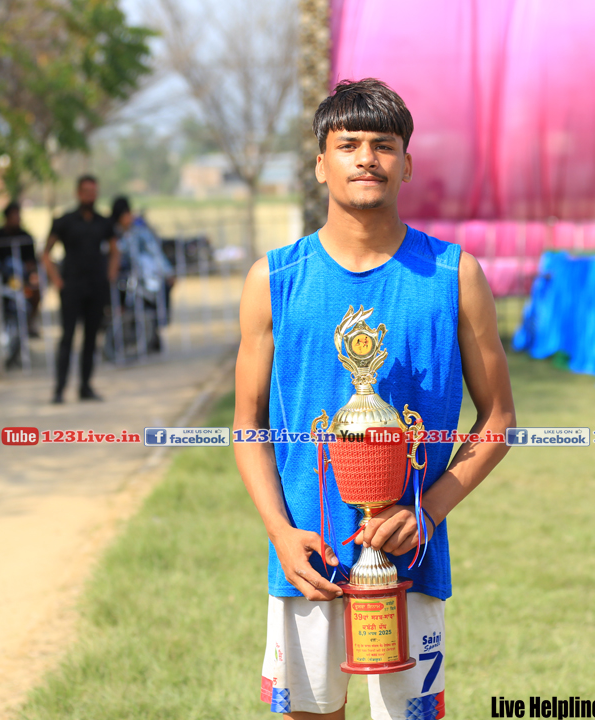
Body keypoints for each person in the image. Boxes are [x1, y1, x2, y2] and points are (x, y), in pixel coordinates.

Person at [233, 78, 517, 720]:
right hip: (308, 557)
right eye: (349, 144)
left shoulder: (454, 275)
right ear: (320, 164)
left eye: (384, 145)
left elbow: (499, 418)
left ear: (406, 164)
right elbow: (248, 425)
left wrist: (428, 512)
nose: (367, 158)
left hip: (409, 554)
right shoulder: (273, 280)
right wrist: (280, 533)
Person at [42, 174, 119, 403]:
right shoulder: (64, 221)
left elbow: (115, 251)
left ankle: (85, 386)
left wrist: (109, 276)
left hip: (96, 287)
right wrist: (57, 280)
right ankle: (59, 389)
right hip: (72, 287)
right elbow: (46, 253)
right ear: (78, 193)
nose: (90, 196)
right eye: (86, 192)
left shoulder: (104, 222)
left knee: (91, 338)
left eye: (93, 192)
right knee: (67, 338)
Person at [109, 196, 171, 352]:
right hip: (125, 282)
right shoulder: (114, 234)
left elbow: (155, 253)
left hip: (145, 280)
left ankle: (152, 340)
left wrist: (167, 271)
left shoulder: (140, 232)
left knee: (150, 310)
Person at [0, 201, 41, 337]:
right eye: (14, 215)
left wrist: (31, 274)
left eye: (19, 215)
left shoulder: (25, 237)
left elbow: (31, 262)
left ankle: (30, 322)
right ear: (7, 217)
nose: (17, 219)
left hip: (20, 278)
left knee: (36, 288)